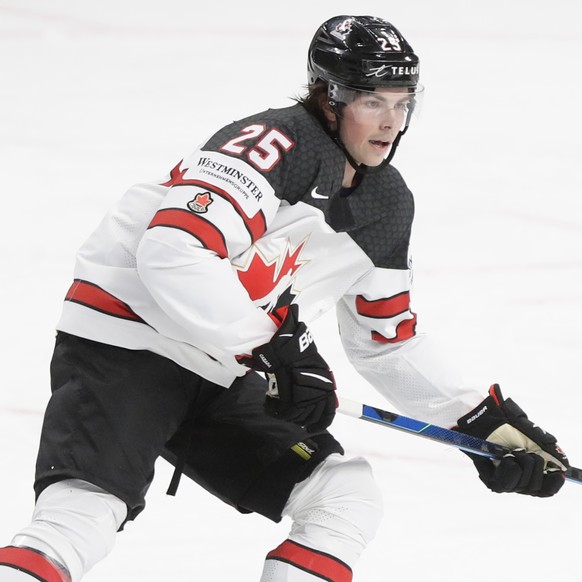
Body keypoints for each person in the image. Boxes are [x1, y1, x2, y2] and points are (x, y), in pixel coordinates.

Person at [0, 15, 569, 582]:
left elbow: (387, 343)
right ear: (330, 95)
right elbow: (173, 251)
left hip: (226, 369)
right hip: (132, 345)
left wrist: (481, 422)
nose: (392, 122)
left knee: (343, 495)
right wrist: (271, 347)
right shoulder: (275, 144)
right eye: (374, 101)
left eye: (403, 103)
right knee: (80, 518)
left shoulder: (386, 204)